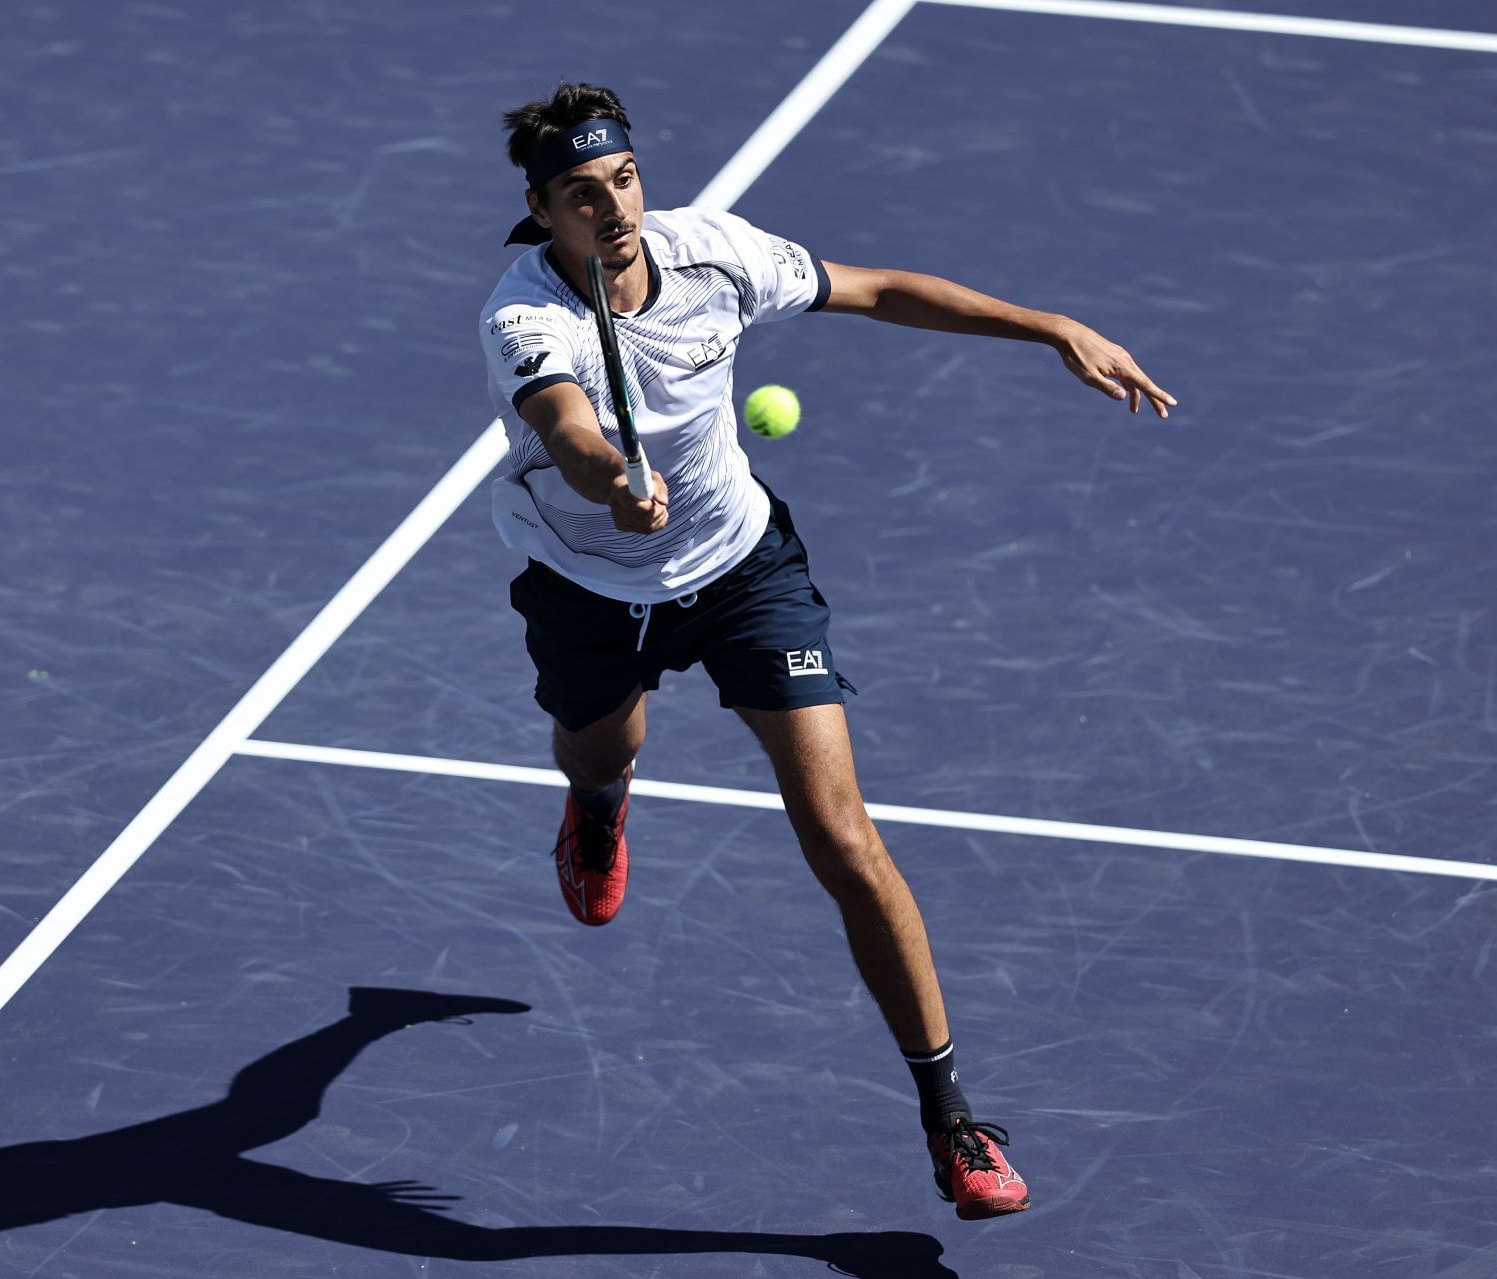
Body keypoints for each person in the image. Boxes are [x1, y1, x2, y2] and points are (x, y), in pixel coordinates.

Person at [478, 82, 1175, 1222]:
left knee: (843, 836)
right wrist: (615, 481)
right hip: (594, 583)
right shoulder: (526, 317)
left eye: (623, 179)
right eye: (580, 195)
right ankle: (600, 801)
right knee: (597, 743)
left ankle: (953, 1118)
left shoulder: (712, 256)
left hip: (746, 570)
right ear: (540, 211)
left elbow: (880, 289)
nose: (613, 209)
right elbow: (565, 426)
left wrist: (1054, 326)